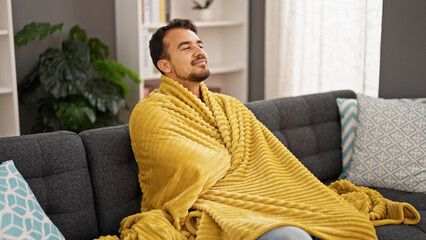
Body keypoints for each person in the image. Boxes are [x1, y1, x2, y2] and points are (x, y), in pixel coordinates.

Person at [97, 19, 418, 240]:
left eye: (199, 44)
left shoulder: (229, 106)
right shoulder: (150, 111)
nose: (199, 51)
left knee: (347, 220)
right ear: (164, 65)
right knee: (292, 235)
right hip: (211, 206)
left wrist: (241, 165)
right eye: (185, 48)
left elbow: (271, 159)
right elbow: (189, 168)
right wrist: (236, 161)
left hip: (261, 197)